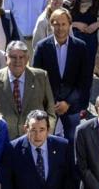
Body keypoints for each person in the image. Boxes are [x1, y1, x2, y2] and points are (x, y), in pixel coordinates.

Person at [32, 8, 91, 142]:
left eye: (63, 24)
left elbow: (84, 80)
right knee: (47, 141)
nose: (60, 28)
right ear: (50, 25)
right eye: (56, 24)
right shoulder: (42, 47)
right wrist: (51, 103)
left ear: (70, 25)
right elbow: (37, 79)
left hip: (72, 106)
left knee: (73, 141)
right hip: (48, 106)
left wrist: (67, 102)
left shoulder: (80, 47)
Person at [0, 40, 56, 139]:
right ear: (6, 58)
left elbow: (50, 110)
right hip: (2, 139)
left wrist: (46, 132)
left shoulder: (41, 77)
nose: (17, 61)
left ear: (27, 58)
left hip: (34, 139)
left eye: (21, 57)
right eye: (13, 57)